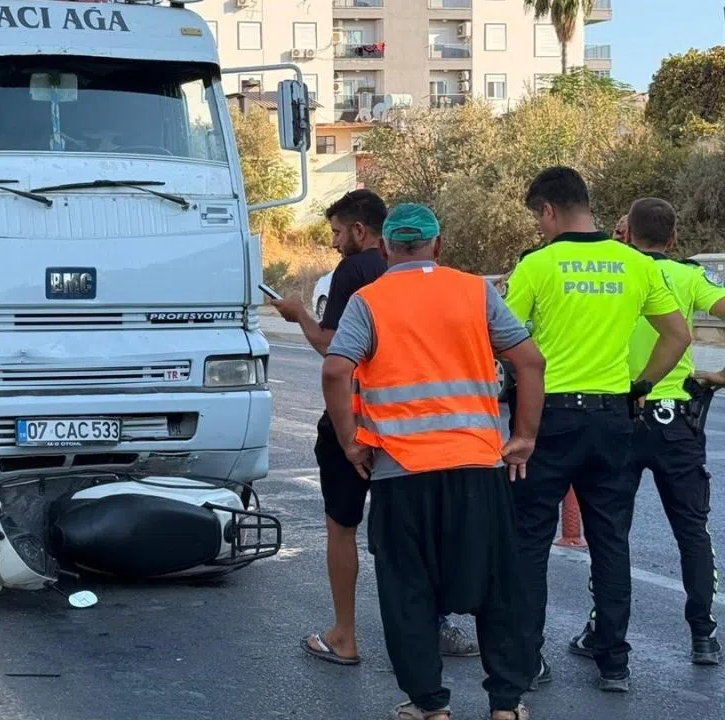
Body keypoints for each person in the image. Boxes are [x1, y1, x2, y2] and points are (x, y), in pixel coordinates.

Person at [322, 203, 545, 720]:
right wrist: (524, 437)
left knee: (408, 591)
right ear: (438, 246)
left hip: (402, 471)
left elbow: (336, 371)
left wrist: (352, 441)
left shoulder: (368, 300)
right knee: (498, 587)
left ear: (384, 248)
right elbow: (529, 361)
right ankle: (506, 706)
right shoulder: (475, 291)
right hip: (477, 466)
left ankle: (430, 707)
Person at [269, 189, 478, 666]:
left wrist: (300, 312)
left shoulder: (355, 273)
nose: (337, 243)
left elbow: (333, 351)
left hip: (356, 424)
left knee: (342, 527)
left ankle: (345, 635)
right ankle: (435, 627)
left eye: (339, 233)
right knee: (416, 534)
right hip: (409, 427)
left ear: (366, 234)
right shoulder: (433, 283)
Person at [503, 167, 692, 692]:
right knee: (611, 540)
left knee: (529, 542)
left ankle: (526, 659)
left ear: (547, 211)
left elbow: (503, 341)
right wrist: (641, 384)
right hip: (613, 418)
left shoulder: (538, 267)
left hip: (549, 421)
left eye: (536, 219)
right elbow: (677, 335)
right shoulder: (635, 264)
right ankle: (614, 661)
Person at [568, 197, 725, 666]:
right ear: (674, 239)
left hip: (620, 415)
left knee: (611, 531)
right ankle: (704, 635)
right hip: (676, 419)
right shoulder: (689, 277)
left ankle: (605, 636)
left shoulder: (617, 276)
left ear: (627, 234)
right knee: (692, 530)